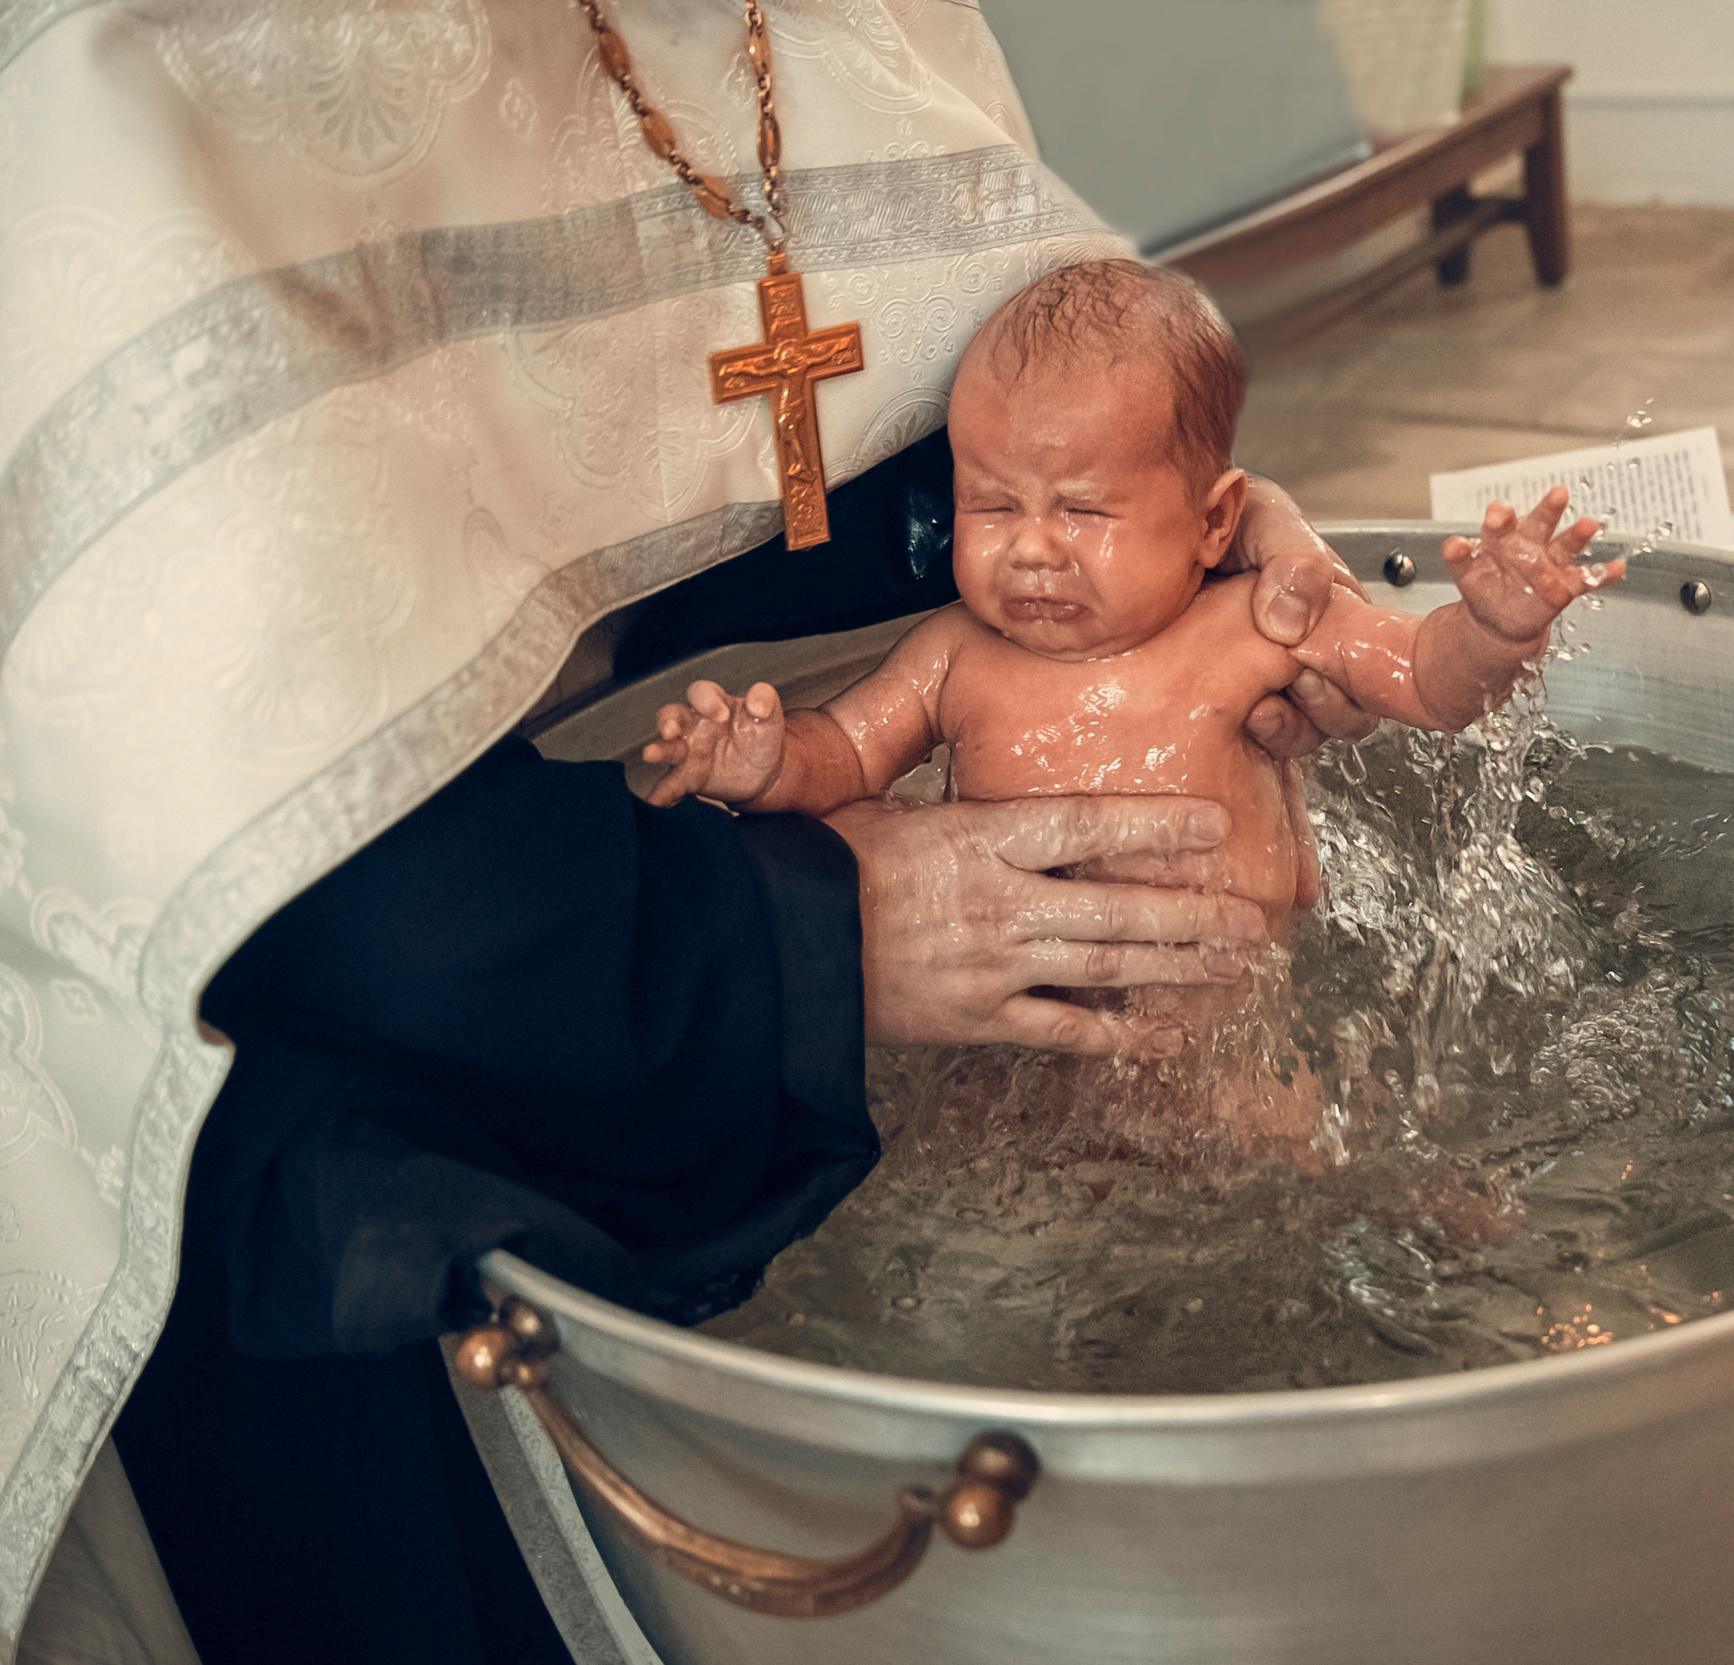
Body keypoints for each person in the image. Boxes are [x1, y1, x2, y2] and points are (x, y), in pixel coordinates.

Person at [0, 5, 1372, 1663]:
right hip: (403, 1116)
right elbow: (227, 795)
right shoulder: (144, 50)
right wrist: (789, 926)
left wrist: (1166, 541)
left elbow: (874, 422)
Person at [640, 263, 1616, 1123]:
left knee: (1288, 1178)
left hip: (1221, 1073)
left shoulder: (1254, 626)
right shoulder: (952, 652)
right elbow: (847, 755)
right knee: (961, 1171)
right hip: (1004, 1054)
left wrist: (1492, 630)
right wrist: (767, 763)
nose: (1030, 546)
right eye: (991, 502)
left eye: (1081, 509)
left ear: (1213, 519)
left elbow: (1424, 684)